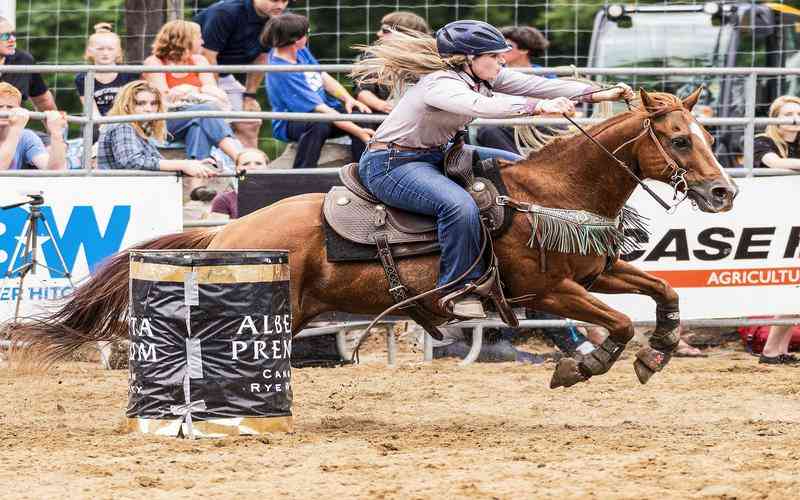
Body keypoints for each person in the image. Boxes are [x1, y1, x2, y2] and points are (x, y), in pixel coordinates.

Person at [352, 20, 633, 318]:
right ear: (469, 58)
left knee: (521, 170)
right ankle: (457, 288)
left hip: (438, 155)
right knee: (458, 206)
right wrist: (535, 108)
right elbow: (479, 106)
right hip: (392, 165)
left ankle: (517, 262)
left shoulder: (481, 77)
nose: (501, 60)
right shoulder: (440, 84)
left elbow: (539, 85)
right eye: (494, 55)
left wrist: (597, 93)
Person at [143, 20, 242, 200]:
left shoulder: (199, 60)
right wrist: (197, 91)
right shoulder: (154, 62)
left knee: (198, 125)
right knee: (204, 111)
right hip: (164, 122)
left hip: (196, 117)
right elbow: (162, 99)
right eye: (199, 37)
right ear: (184, 39)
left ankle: (197, 187)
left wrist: (188, 90)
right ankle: (239, 157)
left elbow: (213, 92)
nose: (203, 42)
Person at [263, 13, 374, 169]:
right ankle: (302, 175)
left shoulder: (298, 50)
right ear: (296, 39)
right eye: (306, 32)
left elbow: (322, 76)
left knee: (360, 112)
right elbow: (320, 110)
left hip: (325, 111)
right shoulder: (281, 71)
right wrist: (359, 132)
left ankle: (363, 170)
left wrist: (348, 99)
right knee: (318, 123)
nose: (308, 35)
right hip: (293, 121)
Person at [194, 0, 290, 148]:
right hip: (195, 76)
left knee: (250, 122)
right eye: (274, 0)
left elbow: (262, 57)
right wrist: (216, 97)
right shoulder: (225, 13)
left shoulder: (277, 20)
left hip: (224, 76)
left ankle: (250, 168)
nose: (281, 6)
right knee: (216, 120)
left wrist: (249, 96)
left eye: (284, 0)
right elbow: (208, 56)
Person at [95, 79, 218, 180]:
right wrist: (183, 164)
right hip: (122, 194)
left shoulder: (138, 128)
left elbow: (153, 163)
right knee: (206, 111)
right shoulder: (122, 125)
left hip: (131, 194)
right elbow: (131, 161)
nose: (149, 109)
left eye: (153, 103)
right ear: (126, 105)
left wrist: (193, 164)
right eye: (141, 103)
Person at [475, 25, 552, 155]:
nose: (501, 51)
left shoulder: (545, 75)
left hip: (533, 124)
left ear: (524, 50)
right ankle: (516, 167)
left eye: (508, 46)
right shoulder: (489, 72)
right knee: (488, 130)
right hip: (503, 124)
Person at [354, 12, 430, 116]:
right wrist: (384, 106)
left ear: (405, 34)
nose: (379, 33)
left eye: (385, 31)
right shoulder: (372, 56)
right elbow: (363, 92)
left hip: (420, 114)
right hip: (386, 113)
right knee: (359, 114)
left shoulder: (431, 59)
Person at [75, 23, 139, 118]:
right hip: (96, 124)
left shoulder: (128, 74)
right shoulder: (83, 77)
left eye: (110, 49)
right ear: (90, 51)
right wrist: (104, 127)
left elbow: (131, 106)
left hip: (123, 122)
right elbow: (92, 110)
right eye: (100, 49)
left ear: (118, 51)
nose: (105, 53)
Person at [0, 83, 66, 170]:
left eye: (10, 107)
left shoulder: (26, 137)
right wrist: (15, 129)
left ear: (19, 109)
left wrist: (56, 133)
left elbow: (55, 171)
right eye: (0, 106)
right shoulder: (16, 131)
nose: (4, 111)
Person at [0, 16, 57, 111]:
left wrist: (58, 124)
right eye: (5, 36)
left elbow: (43, 101)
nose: (12, 39)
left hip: (13, 124)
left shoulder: (23, 60)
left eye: (14, 34)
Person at [209, 148, 270, 219]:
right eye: (246, 164)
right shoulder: (223, 199)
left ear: (267, 167)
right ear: (237, 169)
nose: (252, 167)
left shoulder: (279, 196)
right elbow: (218, 229)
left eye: (258, 163)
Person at [753, 95, 800, 170]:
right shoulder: (761, 141)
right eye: (788, 114)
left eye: (799, 114)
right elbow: (775, 163)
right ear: (775, 118)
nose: (796, 119)